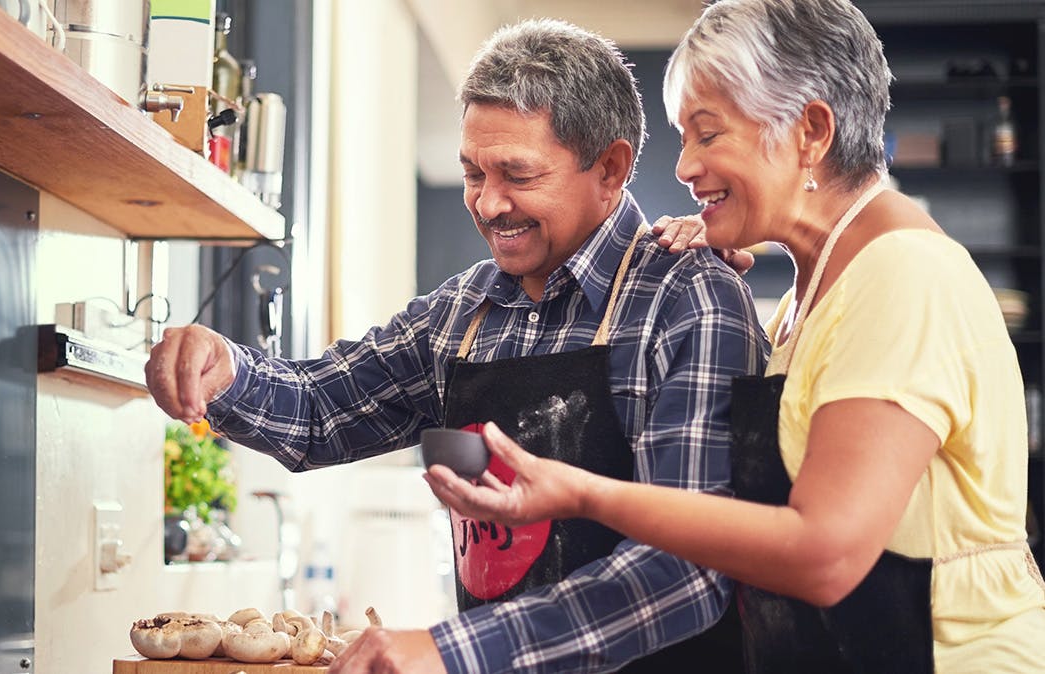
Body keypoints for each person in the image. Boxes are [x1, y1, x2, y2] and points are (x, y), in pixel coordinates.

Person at [424, 1, 1045, 672]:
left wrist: (581, 493)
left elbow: (826, 553)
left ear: (809, 130)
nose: (685, 166)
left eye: (708, 133)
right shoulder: (805, 300)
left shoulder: (902, 275)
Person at [147, 17, 766, 674]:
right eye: (473, 172)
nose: (489, 204)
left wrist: (453, 649)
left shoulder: (688, 298)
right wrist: (226, 371)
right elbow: (318, 409)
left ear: (609, 167)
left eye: (517, 175)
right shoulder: (464, 312)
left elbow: (690, 570)